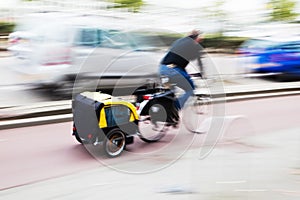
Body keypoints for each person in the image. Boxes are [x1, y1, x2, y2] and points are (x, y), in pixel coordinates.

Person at [159, 30, 204, 114]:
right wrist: (202, 73)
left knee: (171, 91)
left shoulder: (179, 41)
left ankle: (166, 110)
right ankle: (175, 108)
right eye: (200, 39)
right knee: (190, 89)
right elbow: (199, 62)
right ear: (197, 38)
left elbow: (178, 60)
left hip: (162, 68)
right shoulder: (194, 45)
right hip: (174, 70)